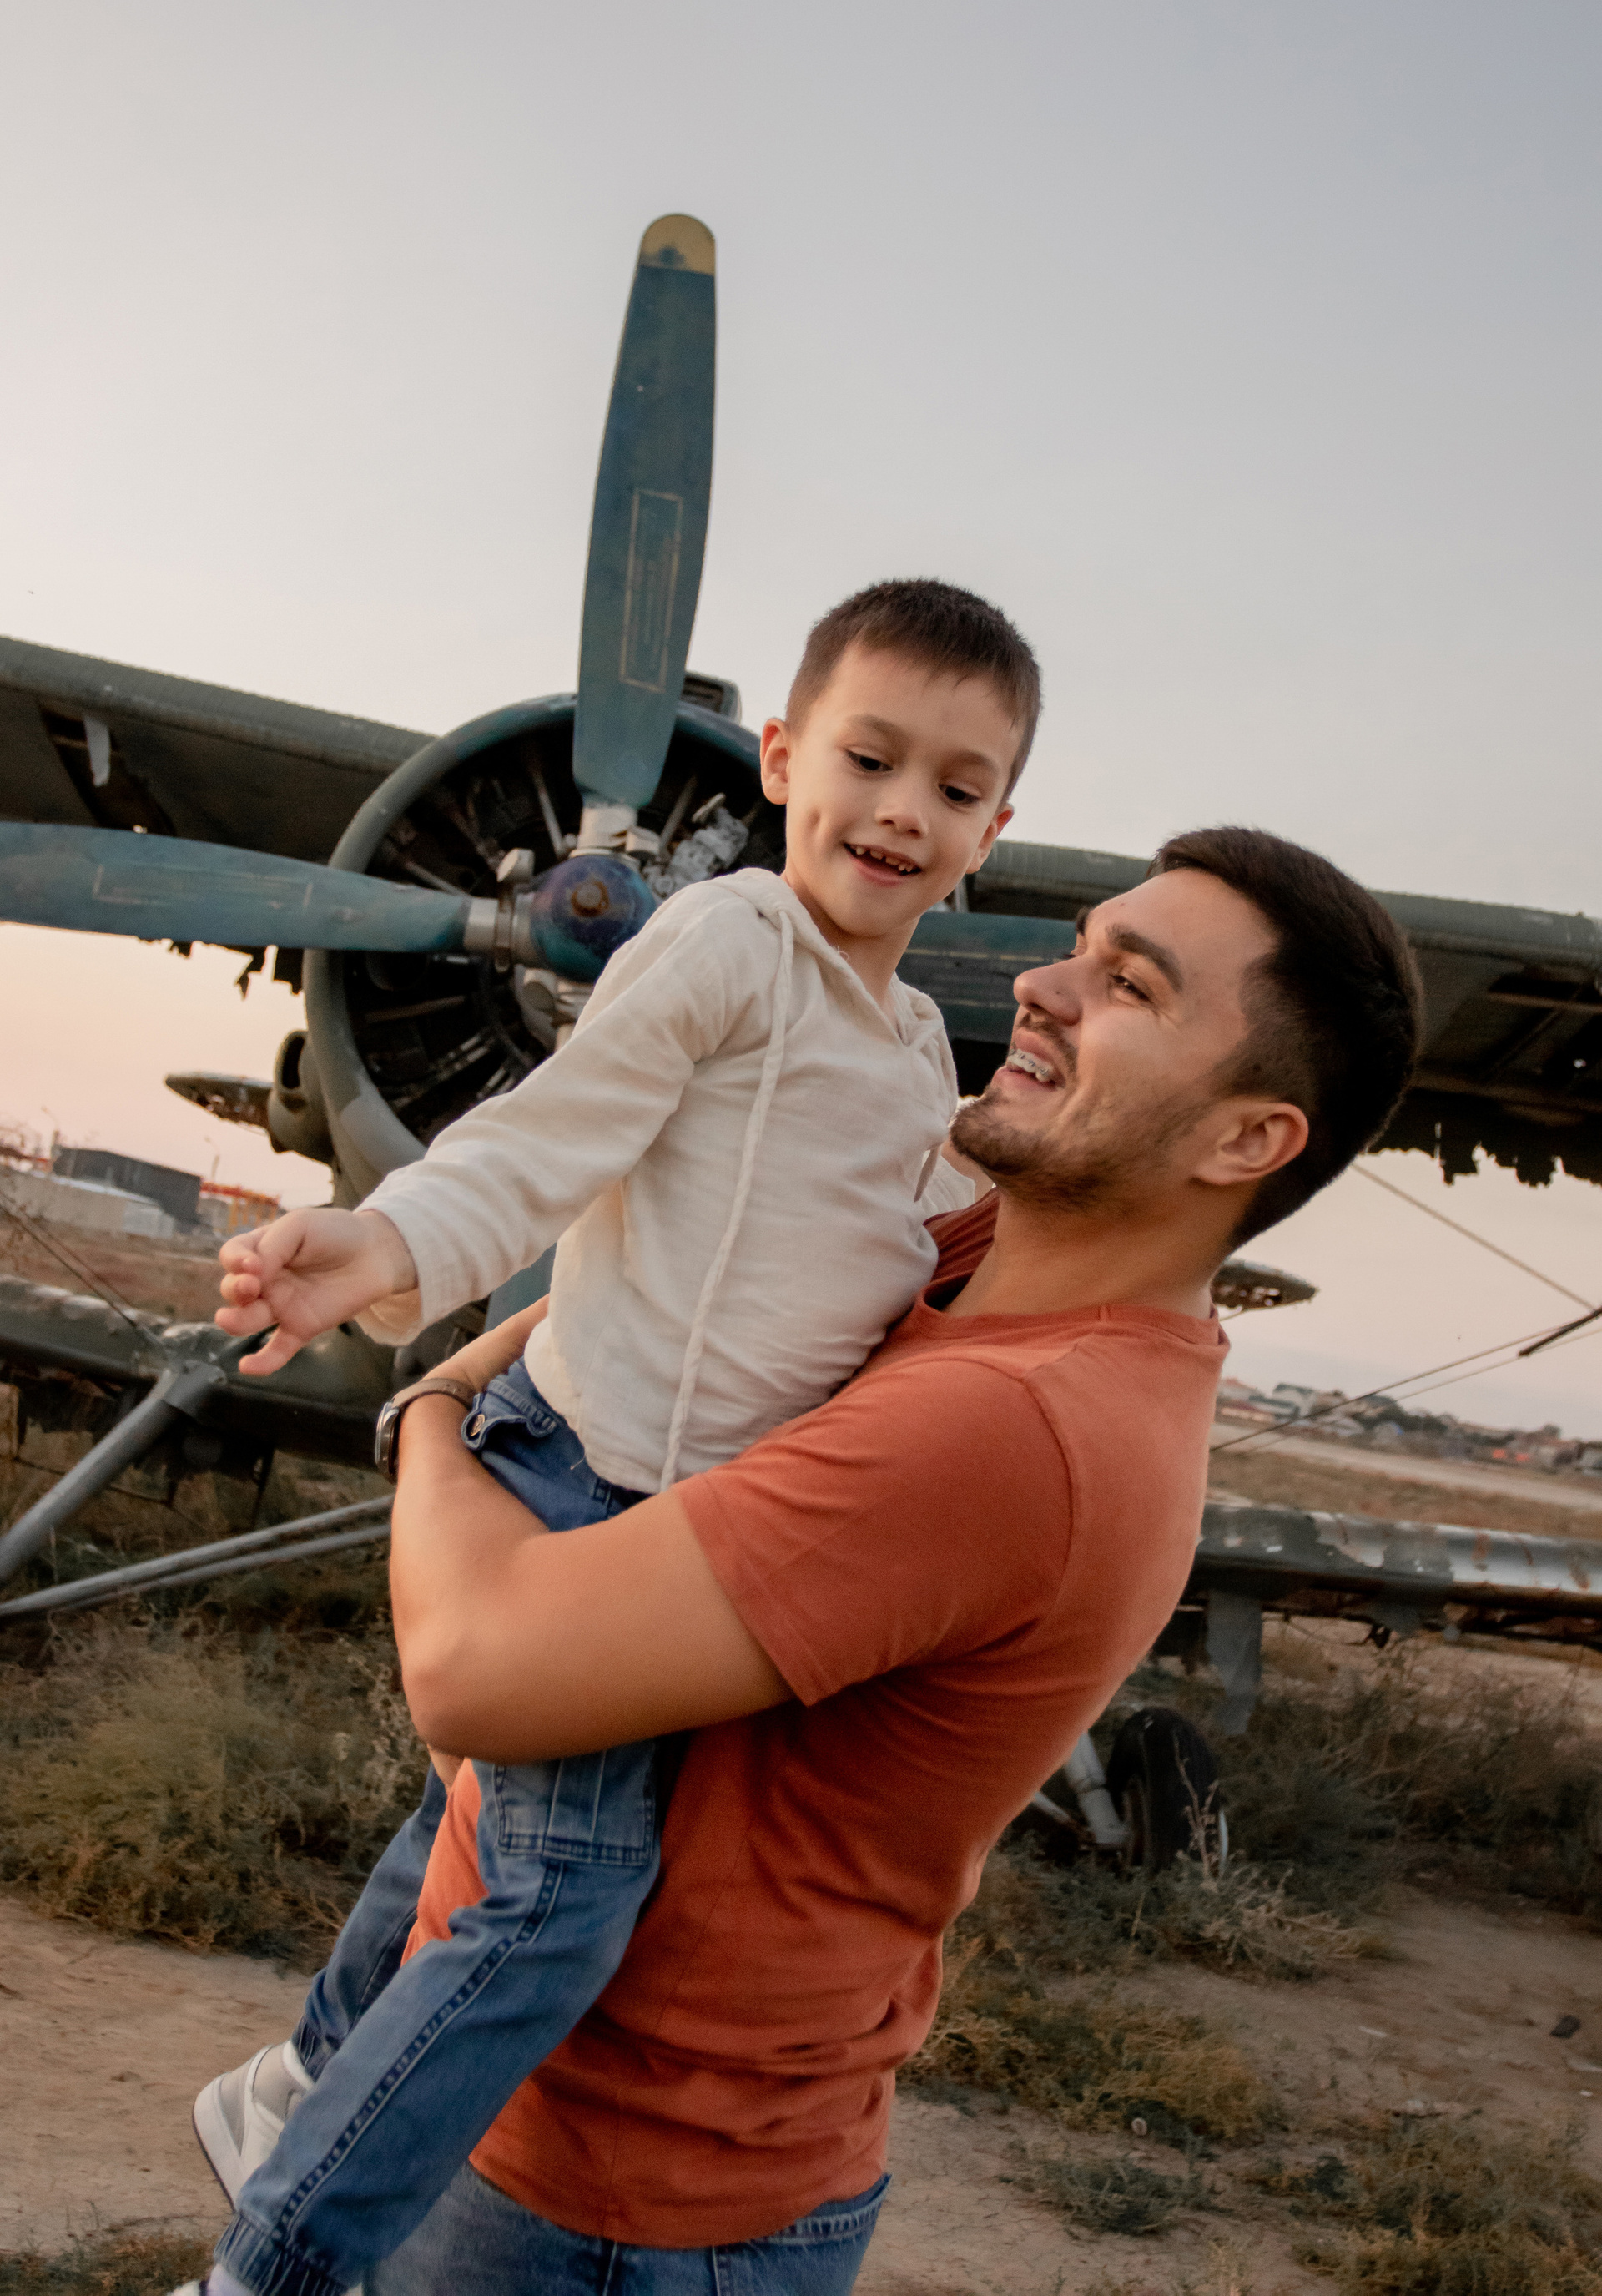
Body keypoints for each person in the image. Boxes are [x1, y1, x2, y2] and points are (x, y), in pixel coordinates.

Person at [355, 825, 1418, 2293]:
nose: (1041, 985)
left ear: (1245, 1141)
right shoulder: (959, 1263)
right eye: (1079, 947)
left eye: (1131, 986)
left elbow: (477, 1669)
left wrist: (432, 1404)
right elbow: (690, 1283)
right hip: (553, 2123)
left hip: (602, 2206)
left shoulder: (1014, 1426)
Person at [187, 581, 1039, 2296]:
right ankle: (271, 2267)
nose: (902, 811)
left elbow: (889, 1243)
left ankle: (301, 2075)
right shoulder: (728, 940)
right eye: (869, 759)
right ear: (783, 759)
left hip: (697, 1524)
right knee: (553, 1907)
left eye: (955, 788)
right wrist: (390, 1240)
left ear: (994, 832)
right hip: (590, 1479)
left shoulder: (909, 1048)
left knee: (482, 1812)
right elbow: (553, 1135)